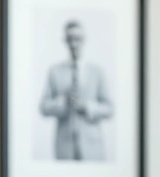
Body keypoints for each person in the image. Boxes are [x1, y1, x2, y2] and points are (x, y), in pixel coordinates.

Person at [38, 20, 113, 161]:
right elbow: (43, 107)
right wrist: (63, 101)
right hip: (64, 148)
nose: (74, 44)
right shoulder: (54, 71)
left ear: (83, 40)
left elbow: (109, 109)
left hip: (93, 148)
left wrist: (88, 106)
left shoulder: (97, 72)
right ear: (65, 41)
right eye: (70, 39)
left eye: (77, 39)